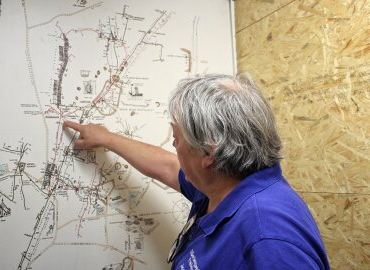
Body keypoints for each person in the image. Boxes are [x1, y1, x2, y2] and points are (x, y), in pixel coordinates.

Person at [64, 74, 330, 269]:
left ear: (207, 154)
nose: (173, 143)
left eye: (177, 137)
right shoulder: (225, 181)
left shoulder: (270, 239)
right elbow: (169, 166)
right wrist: (107, 139)